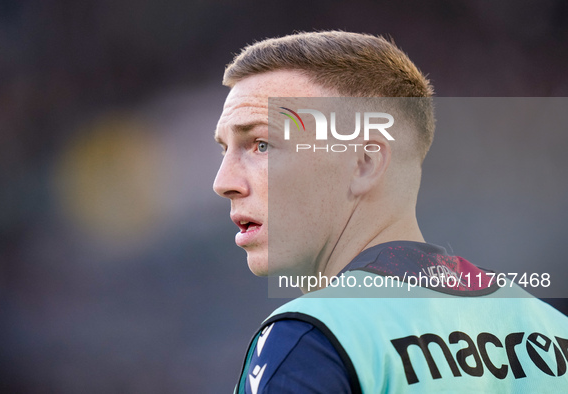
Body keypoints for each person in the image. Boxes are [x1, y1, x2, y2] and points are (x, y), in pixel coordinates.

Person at [213, 31, 568, 393]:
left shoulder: (311, 339)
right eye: (224, 149)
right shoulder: (552, 330)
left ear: (364, 163)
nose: (223, 181)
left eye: (261, 144)